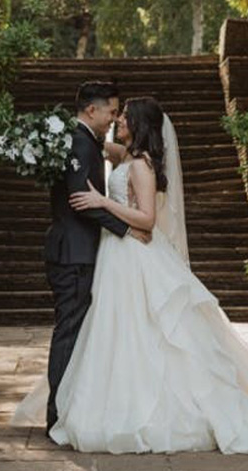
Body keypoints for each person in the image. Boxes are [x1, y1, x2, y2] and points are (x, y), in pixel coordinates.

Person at [13, 96, 248, 454]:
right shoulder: (125, 157)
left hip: (134, 251)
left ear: (141, 125)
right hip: (116, 254)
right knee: (116, 330)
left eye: (126, 117)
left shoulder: (143, 165)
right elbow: (93, 142)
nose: (119, 120)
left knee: (147, 330)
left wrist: (103, 202)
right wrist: (50, 136)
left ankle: (157, 410)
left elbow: (147, 220)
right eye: (116, 115)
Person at [41, 80, 150, 432]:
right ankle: (56, 415)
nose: (114, 118)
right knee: (69, 333)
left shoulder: (87, 142)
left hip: (79, 249)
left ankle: (67, 408)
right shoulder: (79, 143)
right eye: (111, 111)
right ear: (92, 109)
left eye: (119, 114)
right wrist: (125, 229)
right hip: (73, 252)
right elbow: (80, 202)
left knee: (76, 332)